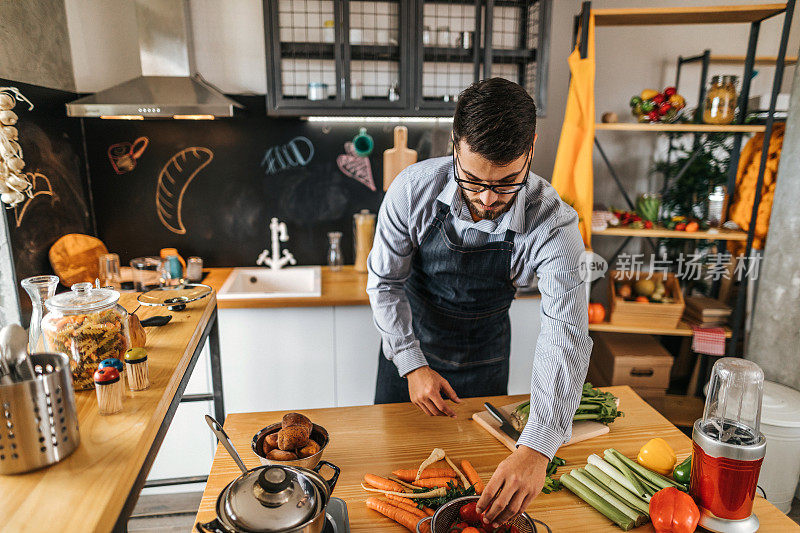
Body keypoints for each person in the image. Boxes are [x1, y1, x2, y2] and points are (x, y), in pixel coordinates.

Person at [367, 78, 591, 528]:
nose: (487, 199)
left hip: (485, 358)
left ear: (530, 148)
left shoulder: (555, 224)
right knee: (391, 477)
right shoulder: (413, 190)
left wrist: (538, 446)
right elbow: (385, 283)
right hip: (409, 356)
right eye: (472, 179)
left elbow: (564, 333)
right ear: (455, 144)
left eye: (507, 183)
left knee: (475, 485)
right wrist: (412, 364)